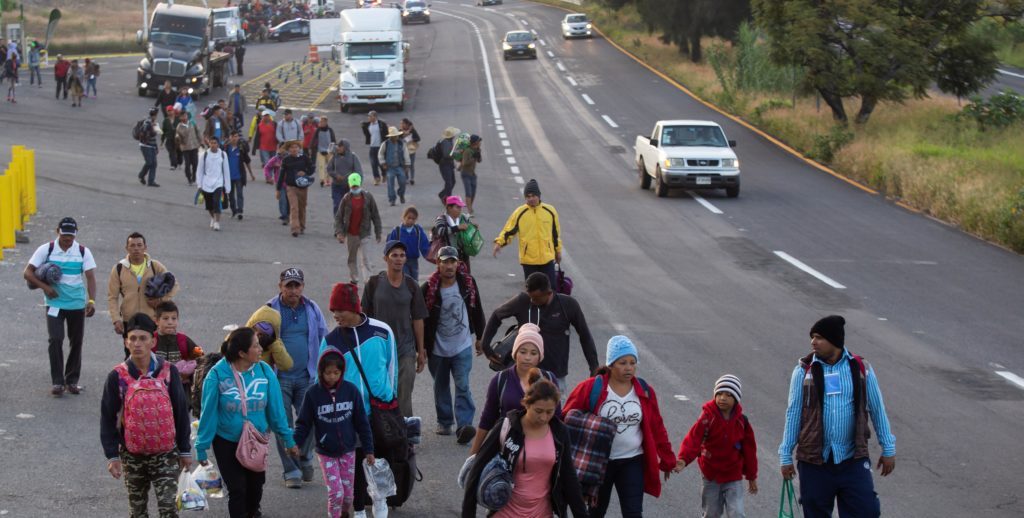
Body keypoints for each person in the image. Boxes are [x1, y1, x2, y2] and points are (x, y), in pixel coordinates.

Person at [778, 315, 896, 518]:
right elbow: (794, 414)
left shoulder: (860, 369)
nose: (813, 342)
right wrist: (785, 454)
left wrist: (888, 447)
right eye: (812, 337)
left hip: (852, 459)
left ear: (835, 341)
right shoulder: (803, 372)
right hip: (814, 462)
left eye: (819, 337)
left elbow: (876, 408)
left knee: (866, 511)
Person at [563, 336, 677, 518]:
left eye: (633, 363)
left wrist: (668, 459)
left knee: (633, 513)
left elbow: (657, 427)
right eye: (622, 363)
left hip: (632, 460)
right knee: (596, 512)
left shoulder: (644, 390)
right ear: (610, 364)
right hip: (599, 463)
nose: (629, 368)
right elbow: (566, 418)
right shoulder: (591, 388)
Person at [196, 327, 300, 518]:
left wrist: (289, 440)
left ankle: (253, 512)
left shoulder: (265, 371)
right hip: (226, 442)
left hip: (256, 441)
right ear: (242, 353)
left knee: (255, 488)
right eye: (256, 346)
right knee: (237, 490)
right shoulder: (217, 375)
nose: (261, 349)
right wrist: (201, 447)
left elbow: (276, 412)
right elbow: (208, 414)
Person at [461, 368, 589, 518]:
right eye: (538, 411)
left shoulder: (560, 432)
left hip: (542, 513)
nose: (543, 417)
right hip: (505, 512)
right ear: (525, 403)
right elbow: (477, 468)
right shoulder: (507, 427)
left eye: (549, 412)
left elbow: (569, 477)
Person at [100, 314, 192, 518]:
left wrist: (184, 450)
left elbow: (180, 411)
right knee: (138, 510)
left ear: (153, 341)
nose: (137, 343)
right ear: (126, 341)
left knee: (169, 508)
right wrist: (112, 455)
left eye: (143, 338)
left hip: (166, 453)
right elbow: (108, 418)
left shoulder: (168, 371)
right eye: (132, 338)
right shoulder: (117, 376)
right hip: (132, 455)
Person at [319, 282, 399, 518]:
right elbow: (320, 380)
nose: (335, 315)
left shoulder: (382, 331)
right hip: (348, 413)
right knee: (353, 462)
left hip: (381, 409)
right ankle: (358, 509)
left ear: (353, 308)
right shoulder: (331, 340)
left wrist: (390, 398)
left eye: (339, 310)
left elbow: (392, 368)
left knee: (380, 457)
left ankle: (380, 501)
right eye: (332, 310)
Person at [294, 346, 376, 518]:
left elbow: (362, 423)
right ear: (321, 372)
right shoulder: (313, 394)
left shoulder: (351, 391)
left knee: (348, 496)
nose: (332, 377)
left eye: (336, 372)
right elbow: (303, 423)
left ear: (342, 372)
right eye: (328, 372)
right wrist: (295, 444)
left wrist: (369, 450)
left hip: (348, 451)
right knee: (336, 493)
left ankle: (343, 512)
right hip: (326, 453)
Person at [481, 272, 598, 392]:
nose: (532, 301)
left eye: (536, 298)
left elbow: (585, 336)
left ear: (548, 292)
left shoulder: (568, 305)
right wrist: (485, 345)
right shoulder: (522, 301)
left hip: (555, 376)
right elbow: (497, 315)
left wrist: (594, 366)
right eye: (530, 296)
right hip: (524, 374)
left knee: (554, 410)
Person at [267, 267, 330, 488]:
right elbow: (259, 339)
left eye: (297, 285)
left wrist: (326, 370)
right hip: (279, 378)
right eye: (288, 286)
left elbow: (324, 338)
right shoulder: (269, 310)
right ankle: (291, 470)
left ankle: (304, 455)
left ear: (302, 287)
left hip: (307, 376)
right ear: (280, 287)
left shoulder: (312, 309)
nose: (293, 290)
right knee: (282, 424)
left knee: (312, 420)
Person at [24, 217, 97, 397]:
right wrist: (46, 288)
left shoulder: (82, 251)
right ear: (58, 232)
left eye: (71, 237)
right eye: (64, 236)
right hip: (54, 303)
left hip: (76, 304)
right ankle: (57, 382)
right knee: (55, 339)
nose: (67, 240)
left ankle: (71, 381)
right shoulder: (46, 249)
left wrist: (91, 301)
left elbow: (90, 277)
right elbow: (27, 272)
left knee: (76, 342)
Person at [421, 245, 484, 443]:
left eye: (452, 261)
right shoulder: (429, 288)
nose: (449, 266)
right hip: (437, 349)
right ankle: (445, 421)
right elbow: (420, 320)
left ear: (458, 264)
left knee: (463, 385)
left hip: (462, 345)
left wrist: (481, 337)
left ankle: (464, 425)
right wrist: (420, 347)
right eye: (444, 261)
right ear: (438, 264)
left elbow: (477, 310)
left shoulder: (467, 283)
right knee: (440, 386)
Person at [675, 374, 758, 518]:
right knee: (711, 513)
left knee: (737, 513)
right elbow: (693, 439)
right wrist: (683, 459)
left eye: (728, 395)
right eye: (719, 394)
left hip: (733, 474)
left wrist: (751, 476)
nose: (723, 398)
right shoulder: (707, 417)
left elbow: (749, 451)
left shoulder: (742, 422)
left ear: (736, 399)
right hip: (710, 474)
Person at [361, 240, 428, 418]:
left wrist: (420, 351)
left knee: (404, 393)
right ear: (386, 258)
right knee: (379, 392)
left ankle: (406, 435)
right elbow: (363, 318)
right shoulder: (374, 284)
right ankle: (382, 432)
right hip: (379, 348)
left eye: (402, 255)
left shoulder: (412, 286)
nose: (399, 259)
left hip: (405, 349)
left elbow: (418, 319)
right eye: (394, 255)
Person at [469, 323, 559, 454]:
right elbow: (488, 418)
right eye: (523, 352)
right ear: (515, 353)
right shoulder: (500, 380)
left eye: (533, 353)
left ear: (540, 356)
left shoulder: (549, 379)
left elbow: (556, 418)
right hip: (505, 445)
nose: (527, 357)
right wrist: (474, 454)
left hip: (539, 448)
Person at [106, 232, 178, 341]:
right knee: (130, 353)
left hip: (152, 319)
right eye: (132, 245)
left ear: (145, 248)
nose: (136, 249)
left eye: (139, 245)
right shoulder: (118, 269)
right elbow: (112, 297)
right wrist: (116, 319)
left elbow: (174, 284)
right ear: (127, 248)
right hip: (129, 320)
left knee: (152, 352)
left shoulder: (155, 266)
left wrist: (161, 300)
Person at [493, 178, 562, 290]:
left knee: (551, 289)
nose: (531, 199)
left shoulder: (550, 211)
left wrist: (558, 251)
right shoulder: (520, 212)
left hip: (547, 258)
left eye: (533, 196)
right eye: (528, 197)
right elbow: (509, 230)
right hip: (529, 260)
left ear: (539, 195)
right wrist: (499, 243)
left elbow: (555, 234)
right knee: (533, 291)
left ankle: (549, 308)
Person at [335, 173, 383, 285]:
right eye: (353, 187)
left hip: (364, 233)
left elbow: (375, 215)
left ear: (360, 184)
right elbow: (339, 217)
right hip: (351, 234)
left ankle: (368, 280)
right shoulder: (346, 199)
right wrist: (340, 232)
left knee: (366, 258)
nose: (355, 189)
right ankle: (354, 278)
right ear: (349, 186)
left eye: (356, 186)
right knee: (351, 258)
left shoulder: (368, 197)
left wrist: (378, 232)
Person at [153, 301, 203, 395]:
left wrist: (189, 372)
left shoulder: (184, 340)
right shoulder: (151, 340)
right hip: (156, 389)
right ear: (156, 321)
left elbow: (201, 355)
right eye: (165, 318)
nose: (170, 322)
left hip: (181, 388)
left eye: (174, 318)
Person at [277, 140, 314, 237]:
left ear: (299, 148)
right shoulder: (286, 160)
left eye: (296, 147)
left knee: (302, 208)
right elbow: (281, 175)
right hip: (291, 187)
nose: (294, 149)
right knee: (294, 207)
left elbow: (312, 168)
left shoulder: (304, 158)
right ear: (288, 149)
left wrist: (305, 172)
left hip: (302, 187)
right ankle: (295, 228)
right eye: (292, 147)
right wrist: (278, 189)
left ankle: (301, 226)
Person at [245, 305, 294, 372]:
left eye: (261, 334)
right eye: (254, 329)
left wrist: (273, 344)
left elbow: (286, 366)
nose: (256, 335)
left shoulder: (273, 344)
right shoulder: (238, 337)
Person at [386, 206, 431, 281]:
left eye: (413, 219)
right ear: (404, 217)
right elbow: (390, 244)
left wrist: (429, 255)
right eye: (409, 218)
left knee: (415, 280)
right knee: (405, 279)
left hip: (414, 260)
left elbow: (424, 243)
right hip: (401, 260)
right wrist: (388, 256)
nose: (410, 220)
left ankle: (414, 292)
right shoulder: (397, 230)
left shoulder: (417, 230)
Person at [196, 136, 231, 231]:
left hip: (218, 183)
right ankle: (212, 217)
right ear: (209, 144)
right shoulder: (204, 155)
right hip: (206, 183)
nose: (213, 145)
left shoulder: (223, 155)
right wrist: (199, 184)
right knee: (209, 205)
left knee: (216, 202)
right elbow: (199, 171)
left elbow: (226, 171)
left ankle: (217, 222)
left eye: (215, 143)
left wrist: (227, 187)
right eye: (211, 143)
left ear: (218, 144)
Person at [433, 196, 474, 270]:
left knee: (466, 278)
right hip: (447, 257)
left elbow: (469, 231)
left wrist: (473, 228)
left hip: (463, 255)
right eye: (457, 207)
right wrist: (457, 228)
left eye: (460, 207)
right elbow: (440, 231)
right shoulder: (441, 218)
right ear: (449, 208)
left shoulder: (464, 218)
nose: (460, 210)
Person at [326, 139, 363, 217]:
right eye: (338, 146)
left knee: (349, 206)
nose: (338, 148)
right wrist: (336, 176)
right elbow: (329, 169)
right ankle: (337, 222)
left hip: (349, 187)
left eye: (340, 146)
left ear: (345, 147)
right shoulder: (335, 157)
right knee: (337, 204)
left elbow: (358, 172)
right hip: (337, 186)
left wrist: (357, 184)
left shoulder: (353, 157)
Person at [378, 126, 411, 206]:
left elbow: (406, 154)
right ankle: (392, 199)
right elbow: (380, 154)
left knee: (403, 181)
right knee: (390, 183)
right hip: (390, 167)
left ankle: (401, 194)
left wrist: (407, 165)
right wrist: (383, 163)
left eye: (396, 136)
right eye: (394, 136)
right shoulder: (385, 144)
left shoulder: (401, 144)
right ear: (391, 137)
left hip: (400, 166)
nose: (395, 137)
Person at [226, 131, 255, 220]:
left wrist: (251, 174)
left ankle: (240, 211)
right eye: (233, 136)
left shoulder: (241, 149)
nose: (235, 138)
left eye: (237, 136)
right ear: (230, 137)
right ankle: (234, 210)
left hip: (239, 176)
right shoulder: (226, 149)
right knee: (230, 196)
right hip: (228, 177)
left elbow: (247, 161)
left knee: (239, 194)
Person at [175, 111, 202, 186]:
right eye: (182, 116)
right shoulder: (179, 127)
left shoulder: (192, 123)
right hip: (185, 148)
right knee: (187, 164)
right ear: (180, 118)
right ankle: (189, 178)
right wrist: (178, 139)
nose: (184, 117)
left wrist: (201, 141)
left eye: (185, 115)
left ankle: (194, 176)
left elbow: (198, 131)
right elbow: (177, 138)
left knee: (195, 163)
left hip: (194, 146)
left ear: (187, 116)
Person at [361, 111, 388, 186]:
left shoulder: (381, 124)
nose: (368, 118)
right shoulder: (368, 125)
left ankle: (384, 174)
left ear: (375, 117)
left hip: (380, 146)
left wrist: (386, 145)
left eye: (370, 116)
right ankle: (376, 178)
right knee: (373, 163)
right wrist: (363, 127)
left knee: (381, 163)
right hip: (372, 147)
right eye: (368, 116)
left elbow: (386, 134)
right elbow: (367, 134)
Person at [458, 135, 482, 215]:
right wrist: (473, 158)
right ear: (475, 142)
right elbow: (464, 163)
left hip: (472, 174)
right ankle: (469, 209)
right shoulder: (467, 151)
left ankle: (470, 206)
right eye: (479, 141)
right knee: (468, 192)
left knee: (473, 192)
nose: (480, 143)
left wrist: (478, 155)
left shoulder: (477, 150)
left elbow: (479, 161)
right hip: (465, 174)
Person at [310, 116, 337, 187]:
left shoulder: (330, 130)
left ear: (326, 122)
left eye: (322, 122)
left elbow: (333, 140)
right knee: (321, 166)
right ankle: (322, 180)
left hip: (329, 151)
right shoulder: (317, 130)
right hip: (320, 151)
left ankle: (328, 180)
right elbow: (314, 140)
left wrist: (333, 150)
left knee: (329, 166)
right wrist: (311, 148)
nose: (321, 123)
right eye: (320, 122)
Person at [137, 107, 161, 187]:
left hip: (152, 145)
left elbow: (154, 138)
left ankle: (151, 181)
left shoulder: (154, 123)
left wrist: (156, 147)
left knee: (154, 163)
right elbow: (146, 133)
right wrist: (153, 130)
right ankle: (141, 175)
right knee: (149, 162)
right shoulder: (147, 122)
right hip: (145, 145)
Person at [435, 127, 459, 203]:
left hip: (448, 164)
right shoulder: (446, 142)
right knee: (449, 182)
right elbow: (446, 154)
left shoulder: (448, 141)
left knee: (452, 181)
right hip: (445, 165)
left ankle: (442, 194)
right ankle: (448, 199)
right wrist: (455, 154)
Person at [399, 118, 421, 185]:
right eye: (401, 123)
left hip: (411, 150)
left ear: (406, 124)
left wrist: (412, 140)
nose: (401, 125)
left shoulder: (412, 131)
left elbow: (418, 138)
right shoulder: (400, 131)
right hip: (403, 150)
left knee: (411, 165)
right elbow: (397, 139)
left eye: (402, 123)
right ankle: (406, 178)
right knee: (405, 165)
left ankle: (412, 178)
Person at [161, 106, 181, 172]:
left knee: (179, 152)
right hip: (169, 139)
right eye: (168, 111)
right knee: (171, 152)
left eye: (171, 110)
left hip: (177, 139)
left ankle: (179, 162)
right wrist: (162, 141)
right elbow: (163, 131)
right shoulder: (165, 121)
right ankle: (173, 165)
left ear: (173, 111)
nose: (170, 112)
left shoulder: (178, 119)